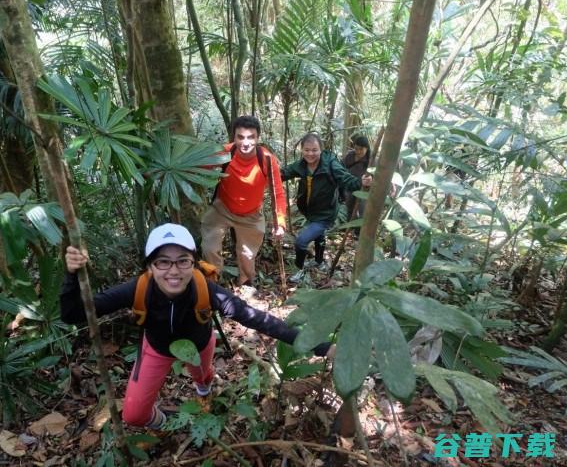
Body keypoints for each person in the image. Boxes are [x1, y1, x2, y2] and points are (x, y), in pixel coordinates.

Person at [60, 223, 330, 431]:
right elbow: (73, 314)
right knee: (134, 416)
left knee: (203, 378)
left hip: (200, 346)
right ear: (150, 267)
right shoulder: (139, 288)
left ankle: (203, 391)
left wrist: (323, 347)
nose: (173, 271)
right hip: (157, 350)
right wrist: (72, 275)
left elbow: (258, 319)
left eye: (182, 261)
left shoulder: (206, 290)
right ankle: (167, 423)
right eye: (163, 262)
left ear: (193, 262)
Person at [201, 115, 286, 289]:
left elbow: (277, 191)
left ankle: (246, 284)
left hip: (251, 214)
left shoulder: (267, 159)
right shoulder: (225, 152)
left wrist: (280, 223)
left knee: (247, 255)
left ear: (258, 138)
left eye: (251, 137)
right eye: (240, 137)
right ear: (234, 137)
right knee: (209, 247)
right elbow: (201, 164)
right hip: (222, 209)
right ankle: (213, 285)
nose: (245, 143)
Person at [281, 133, 372, 283]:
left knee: (301, 242)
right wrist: (265, 173)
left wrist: (361, 182)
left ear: (321, 150)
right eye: (307, 150)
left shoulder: (330, 163)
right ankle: (319, 261)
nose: (310, 154)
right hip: (310, 211)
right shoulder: (302, 165)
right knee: (319, 236)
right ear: (302, 150)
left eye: (314, 150)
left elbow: (345, 179)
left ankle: (299, 270)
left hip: (326, 213)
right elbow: (283, 173)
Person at [342, 134, 371, 221]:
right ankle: (348, 226)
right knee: (349, 206)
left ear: (367, 148)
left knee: (362, 209)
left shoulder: (371, 160)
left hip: (364, 188)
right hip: (351, 185)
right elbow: (341, 167)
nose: (358, 151)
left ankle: (360, 230)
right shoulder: (350, 156)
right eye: (356, 148)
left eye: (361, 149)